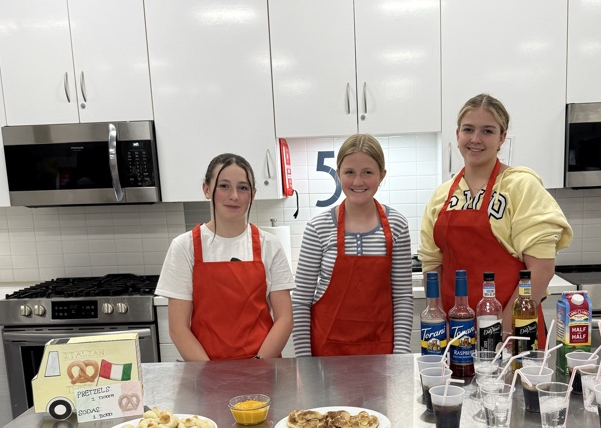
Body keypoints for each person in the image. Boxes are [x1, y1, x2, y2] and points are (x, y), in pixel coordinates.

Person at [419, 93, 572, 348]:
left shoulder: (521, 186)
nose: (475, 139)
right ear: (457, 134)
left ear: (502, 138)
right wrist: (438, 317)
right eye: (468, 129)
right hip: (457, 332)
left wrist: (503, 329)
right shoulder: (441, 195)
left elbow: (541, 270)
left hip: (513, 333)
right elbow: (432, 266)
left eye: (487, 131)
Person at [156, 153, 295, 360]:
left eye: (243, 187)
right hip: (206, 373)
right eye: (224, 186)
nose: (234, 196)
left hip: (262, 369)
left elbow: (285, 319)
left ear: (253, 194)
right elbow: (178, 327)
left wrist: (257, 365)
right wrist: (211, 374)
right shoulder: (185, 247)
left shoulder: (269, 245)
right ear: (206, 189)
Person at [292, 134, 413, 356]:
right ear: (338, 174)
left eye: (367, 172)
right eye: (350, 172)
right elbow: (300, 301)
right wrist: (303, 360)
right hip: (327, 353)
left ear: (382, 175)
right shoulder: (318, 227)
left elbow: (402, 297)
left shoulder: (397, 224)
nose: (358, 182)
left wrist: (401, 355)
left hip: (381, 351)